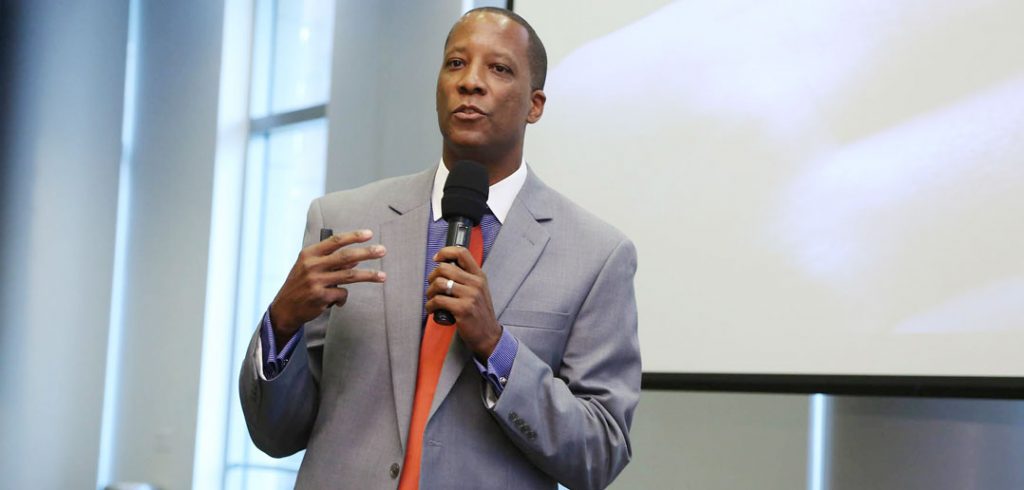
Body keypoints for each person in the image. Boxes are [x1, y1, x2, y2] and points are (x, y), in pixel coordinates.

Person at [239, 8, 641, 490]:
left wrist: (497, 347)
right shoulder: (343, 221)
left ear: (535, 105)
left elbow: (599, 454)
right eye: (456, 63)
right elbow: (276, 433)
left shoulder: (596, 255)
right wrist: (281, 322)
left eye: (499, 68)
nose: (471, 82)